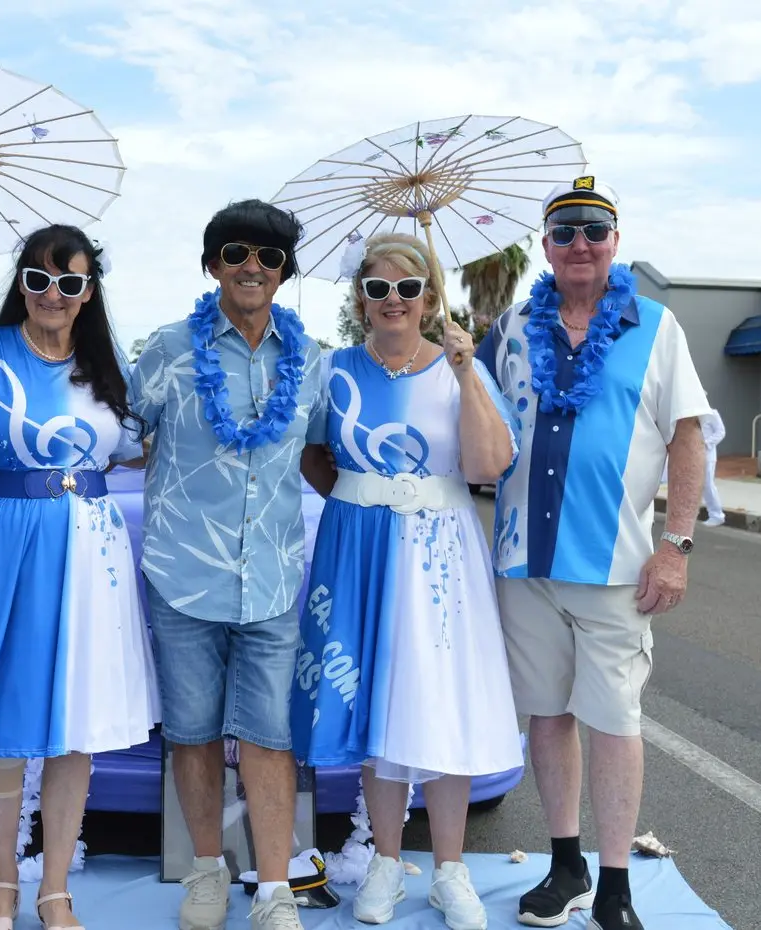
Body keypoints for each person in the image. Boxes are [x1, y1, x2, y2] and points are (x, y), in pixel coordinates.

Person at [475, 178, 712, 930]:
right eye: (563, 230)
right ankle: (564, 861)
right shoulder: (510, 327)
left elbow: (687, 438)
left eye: (594, 229)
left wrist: (674, 546)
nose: (579, 243)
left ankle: (614, 885)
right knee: (545, 716)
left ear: (615, 239)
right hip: (523, 562)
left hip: (613, 567)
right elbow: (468, 421)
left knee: (612, 719)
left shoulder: (655, 325)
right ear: (544, 244)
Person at [0, 224, 158, 930]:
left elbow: (141, 451)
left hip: (91, 549)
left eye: (70, 282)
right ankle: (0, 883)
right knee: (1, 717)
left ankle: (55, 886)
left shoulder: (108, 368)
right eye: (39, 279)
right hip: (4, 539)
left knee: (72, 721)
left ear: (88, 293)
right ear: (21, 283)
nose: (53, 294)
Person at [291, 233, 521, 929]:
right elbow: (309, 453)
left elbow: (486, 465)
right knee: (378, 700)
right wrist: (359, 499)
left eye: (407, 289)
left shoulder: (459, 367)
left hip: (442, 555)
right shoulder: (333, 370)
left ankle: (450, 869)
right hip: (358, 547)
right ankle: (386, 862)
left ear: (428, 297)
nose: (392, 301)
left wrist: (466, 373)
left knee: (440, 699)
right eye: (378, 288)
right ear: (360, 298)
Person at [128, 200, 327, 930]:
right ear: (212, 263)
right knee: (192, 731)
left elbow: (325, 453)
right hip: (183, 573)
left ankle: (273, 889)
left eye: (270, 257)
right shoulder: (168, 348)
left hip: (272, 577)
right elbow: (116, 431)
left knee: (271, 736)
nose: (252, 266)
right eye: (236, 252)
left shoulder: (310, 364)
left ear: (283, 274)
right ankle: (206, 873)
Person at [700, 408, 726, 527]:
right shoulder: (690, 414)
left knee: (707, 484)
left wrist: (705, 443)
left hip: (707, 455)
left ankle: (717, 515)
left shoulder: (712, 413)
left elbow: (720, 432)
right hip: (691, 455)